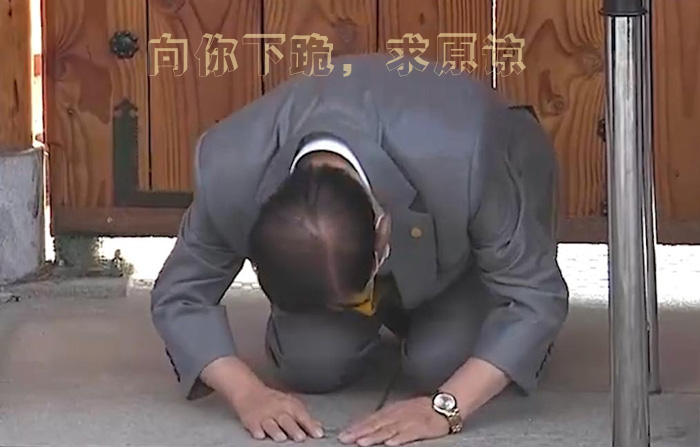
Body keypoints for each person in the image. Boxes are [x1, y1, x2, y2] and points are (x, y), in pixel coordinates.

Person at [151, 53, 569, 446]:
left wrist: (446, 408)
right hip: (370, 225)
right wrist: (247, 393)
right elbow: (180, 295)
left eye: (358, 296)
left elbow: (534, 296)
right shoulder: (229, 172)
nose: (358, 305)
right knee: (309, 363)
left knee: (440, 362)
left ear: (384, 229)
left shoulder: (466, 153)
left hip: (473, 220)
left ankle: (438, 323)